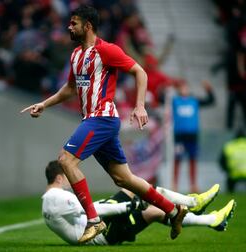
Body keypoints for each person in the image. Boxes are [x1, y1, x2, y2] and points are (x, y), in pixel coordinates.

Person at [21, 5, 187, 243]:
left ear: (87, 26)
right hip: (94, 121)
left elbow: (141, 72)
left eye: (74, 23)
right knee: (124, 179)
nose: (69, 27)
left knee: (65, 160)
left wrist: (140, 106)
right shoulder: (76, 55)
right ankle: (173, 210)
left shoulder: (107, 50)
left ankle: (93, 220)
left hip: (102, 118)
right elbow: (69, 89)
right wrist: (44, 104)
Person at [42, 160, 236, 245]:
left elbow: (87, 211)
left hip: (104, 232)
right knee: (140, 190)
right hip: (103, 233)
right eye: (68, 175)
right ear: (60, 177)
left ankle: (213, 220)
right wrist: (131, 206)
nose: (71, 179)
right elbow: (91, 212)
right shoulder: (56, 197)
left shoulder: (51, 200)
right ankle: (194, 202)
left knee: (156, 211)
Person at [172, 80, 215, 193]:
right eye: (182, 87)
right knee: (178, 159)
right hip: (179, 136)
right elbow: (160, 98)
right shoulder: (175, 101)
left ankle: (193, 185)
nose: (184, 89)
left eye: (186, 87)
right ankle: (175, 185)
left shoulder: (194, 101)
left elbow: (210, 101)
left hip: (192, 135)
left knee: (193, 159)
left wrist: (209, 90)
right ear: (178, 89)